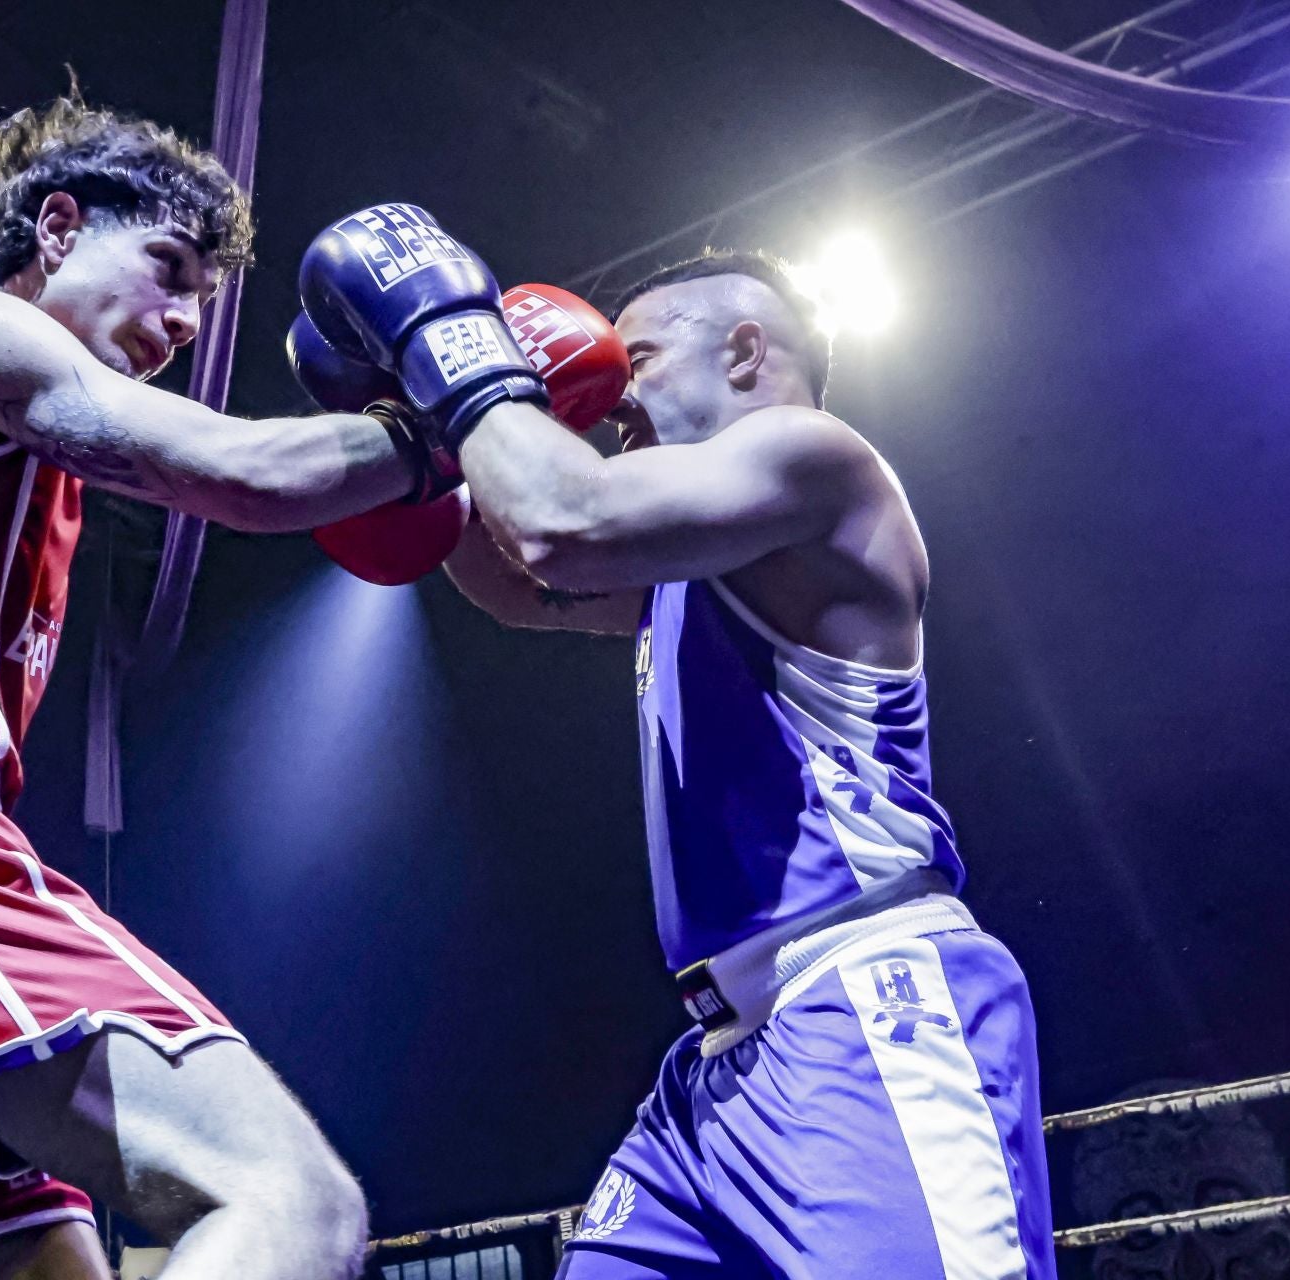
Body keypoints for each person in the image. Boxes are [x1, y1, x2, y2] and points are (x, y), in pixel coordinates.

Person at [0, 92, 442, 1280]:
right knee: (292, 1203)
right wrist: (455, 411)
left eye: (202, 300)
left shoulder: (25, 438)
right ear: (56, 227)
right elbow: (251, 473)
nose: (182, 320)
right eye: (166, 267)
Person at [357, 240, 1055, 1276]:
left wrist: (458, 355)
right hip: (717, 1069)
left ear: (741, 351)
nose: (606, 397)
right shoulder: (689, 556)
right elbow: (516, 577)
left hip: (862, 997)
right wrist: (422, 437)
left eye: (631, 357)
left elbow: (563, 523)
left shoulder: (815, 458)